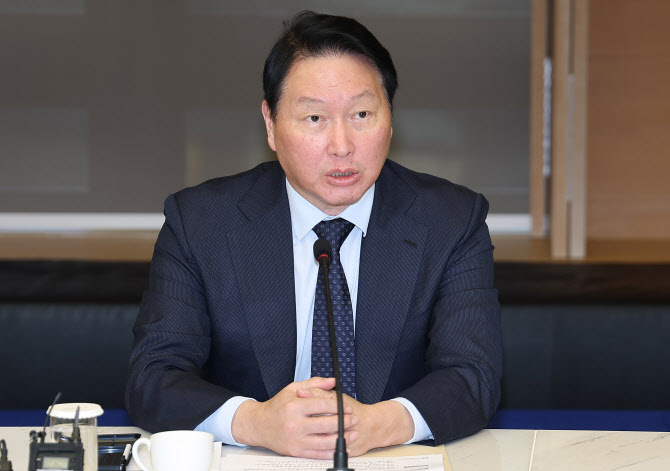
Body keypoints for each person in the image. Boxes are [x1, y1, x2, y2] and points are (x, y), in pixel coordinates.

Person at [125, 10, 502, 459]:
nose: (342, 145)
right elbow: (153, 376)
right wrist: (255, 422)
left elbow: (472, 376)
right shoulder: (200, 223)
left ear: (390, 118)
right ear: (270, 124)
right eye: (315, 118)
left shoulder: (451, 221)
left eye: (361, 114)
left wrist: (379, 423)